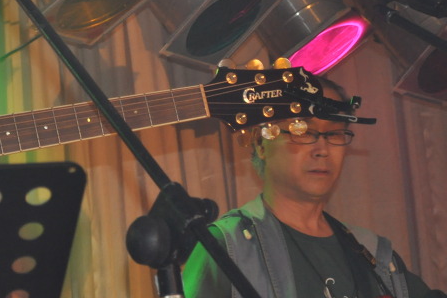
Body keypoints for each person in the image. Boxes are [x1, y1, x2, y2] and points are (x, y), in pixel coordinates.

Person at [182, 72, 438, 298]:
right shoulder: (226, 245)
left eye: (334, 133)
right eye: (302, 131)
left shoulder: (373, 251)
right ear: (261, 144)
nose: (322, 149)